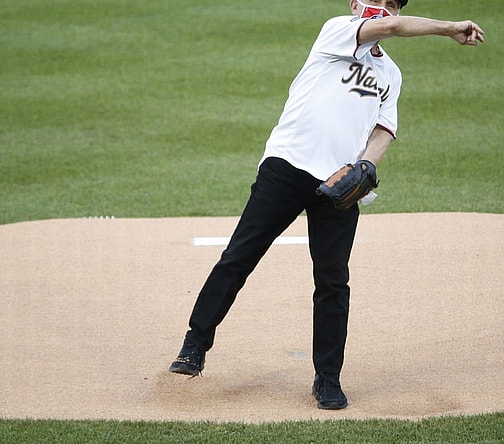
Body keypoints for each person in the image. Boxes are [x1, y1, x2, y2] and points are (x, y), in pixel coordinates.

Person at [169, 0, 485, 410]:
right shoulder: (338, 30)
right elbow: (389, 29)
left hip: (339, 184)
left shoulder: (391, 73)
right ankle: (194, 346)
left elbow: (384, 129)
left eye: (393, 4)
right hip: (288, 166)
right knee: (239, 257)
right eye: (380, 0)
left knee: (333, 282)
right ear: (356, 3)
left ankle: (327, 379)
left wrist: (367, 164)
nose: (385, 9)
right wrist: (447, 28)